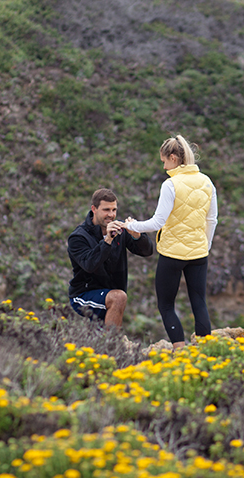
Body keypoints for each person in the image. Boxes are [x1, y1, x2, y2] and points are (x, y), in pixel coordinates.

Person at [121, 135, 217, 350]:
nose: (163, 166)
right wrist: (206, 246)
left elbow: (158, 222)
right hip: (199, 254)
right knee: (199, 302)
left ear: (173, 158)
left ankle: (180, 351)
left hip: (172, 254)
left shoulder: (170, 185)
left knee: (166, 305)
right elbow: (212, 219)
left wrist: (132, 226)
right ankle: (206, 350)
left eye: (164, 161)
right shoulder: (207, 182)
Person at [67, 188, 153, 328]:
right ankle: (111, 346)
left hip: (110, 293)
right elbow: (89, 265)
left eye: (114, 210)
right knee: (119, 297)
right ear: (94, 209)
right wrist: (108, 240)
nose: (111, 215)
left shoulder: (120, 230)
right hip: (83, 295)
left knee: (116, 300)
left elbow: (147, 252)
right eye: (106, 210)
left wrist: (137, 236)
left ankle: (106, 345)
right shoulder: (78, 237)